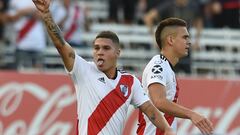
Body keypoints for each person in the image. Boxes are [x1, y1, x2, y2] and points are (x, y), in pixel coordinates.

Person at [32, 0, 176, 134]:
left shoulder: (130, 82)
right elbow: (61, 45)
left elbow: (149, 109)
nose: (100, 52)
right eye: (96, 48)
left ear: (117, 52)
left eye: (106, 48)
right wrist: (46, 14)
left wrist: (167, 129)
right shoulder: (83, 70)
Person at [137, 18, 214, 135]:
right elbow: (159, 101)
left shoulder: (166, 67)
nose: (189, 42)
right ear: (171, 40)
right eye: (185, 37)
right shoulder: (158, 65)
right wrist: (191, 114)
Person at [6, 0, 46, 71]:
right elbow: (11, 18)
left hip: (38, 44)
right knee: (21, 74)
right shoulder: (14, 1)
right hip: (22, 43)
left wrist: (28, 12)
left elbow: (45, 16)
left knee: (39, 75)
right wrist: (24, 12)